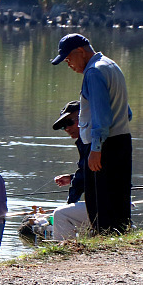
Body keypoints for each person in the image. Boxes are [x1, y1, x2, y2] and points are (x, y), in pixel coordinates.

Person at [51, 33, 133, 234]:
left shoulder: (93, 72)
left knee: (100, 202)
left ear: (81, 51)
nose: (69, 64)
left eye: (69, 59)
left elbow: (101, 115)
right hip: (121, 139)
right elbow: (127, 112)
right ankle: (119, 237)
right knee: (118, 196)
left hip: (104, 144)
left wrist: (96, 149)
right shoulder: (111, 66)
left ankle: (104, 239)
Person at [50, 101, 91, 241]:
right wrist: (72, 177)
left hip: (108, 204)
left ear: (84, 117)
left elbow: (80, 181)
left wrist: (69, 205)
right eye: (63, 126)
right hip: (113, 202)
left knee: (60, 214)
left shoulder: (89, 142)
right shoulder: (88, 140)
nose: (66, 128)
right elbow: (88, 173)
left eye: (69, 122)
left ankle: (64, 255)